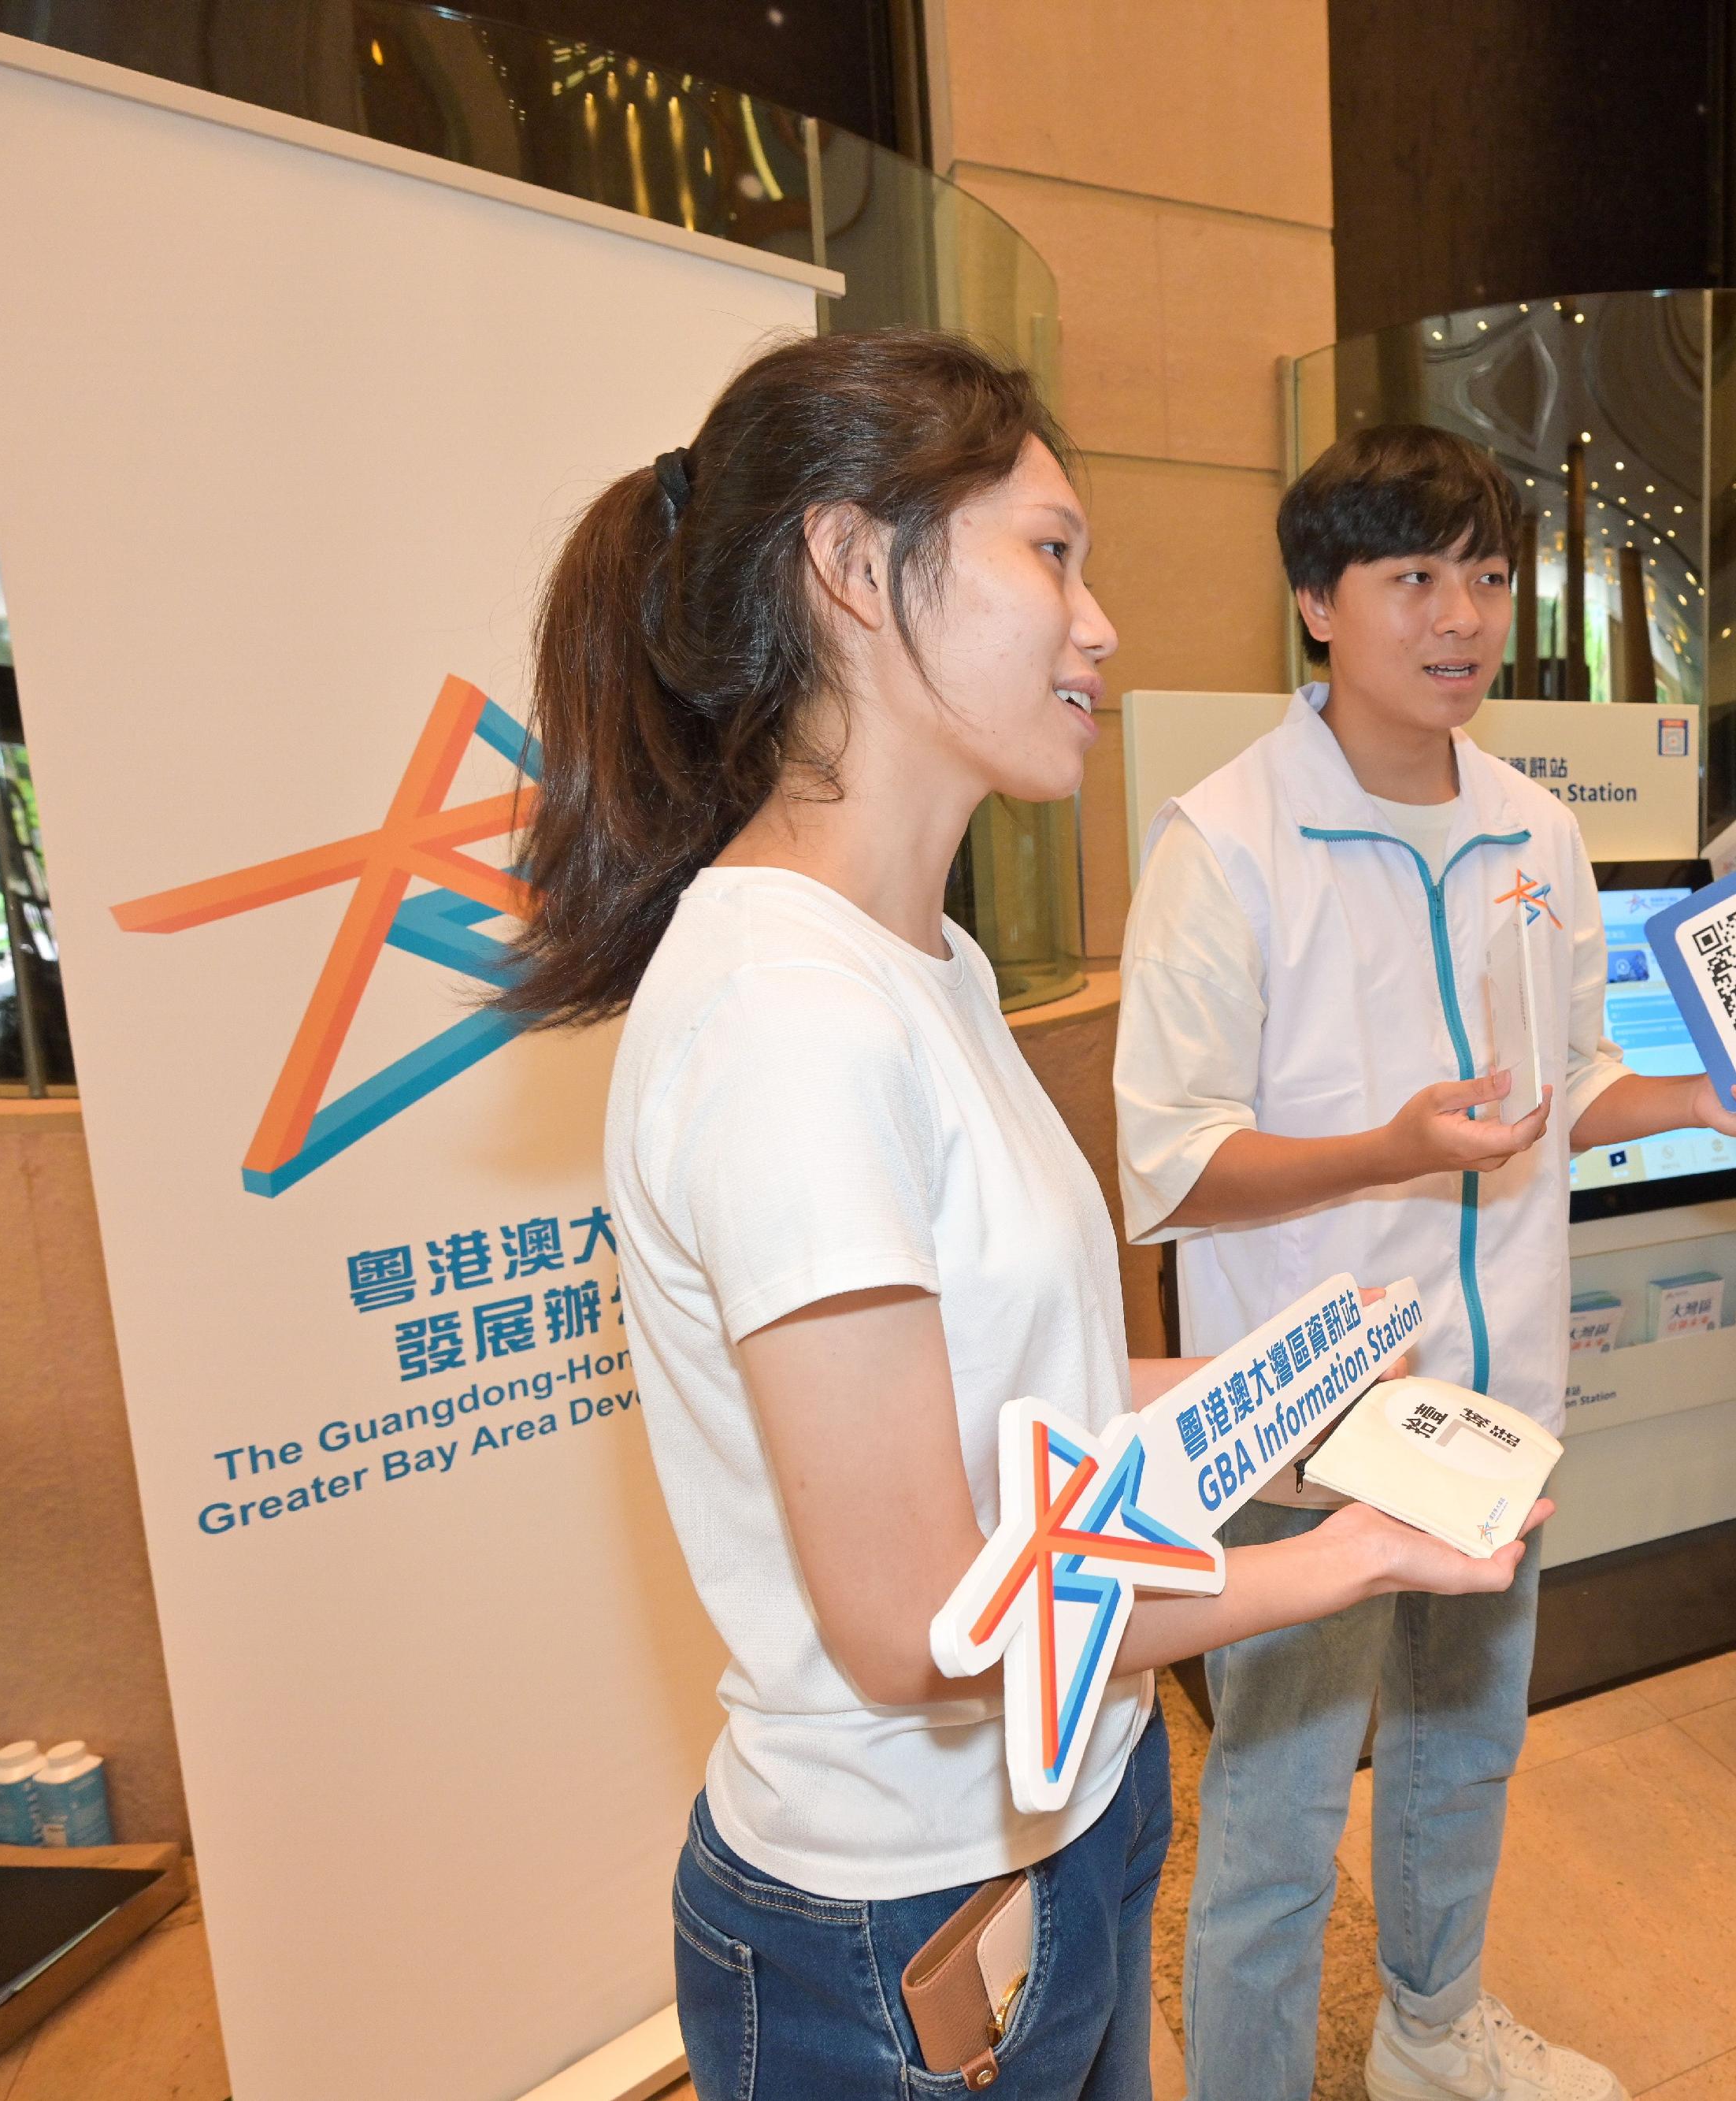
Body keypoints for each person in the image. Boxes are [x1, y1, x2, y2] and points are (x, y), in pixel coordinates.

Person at [500, 334, 1534, 2101]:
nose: (1098, 621)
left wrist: (1302, 1398)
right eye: (1048, 552)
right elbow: (926, 1616)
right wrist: (1347, 1554)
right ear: (847, 564)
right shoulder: (786, 1022)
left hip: (1069, 1816)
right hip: (904, 1913)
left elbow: (1017, 1403)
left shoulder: (924, 962)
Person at [1114, 424, 1736, 2101]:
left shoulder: (1533, 829)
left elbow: (1573, 1082)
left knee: (1462, 1749)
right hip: (1301, 1426)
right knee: (1281, 1821)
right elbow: (1168, 1164)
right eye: (1410, 577)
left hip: (1496, 1399)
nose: (1459, 617)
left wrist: (1706, 1091)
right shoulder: (1225, 843)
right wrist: (1389, 1145)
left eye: (1488, 576)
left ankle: (1431, 2037)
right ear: (1315, 603)